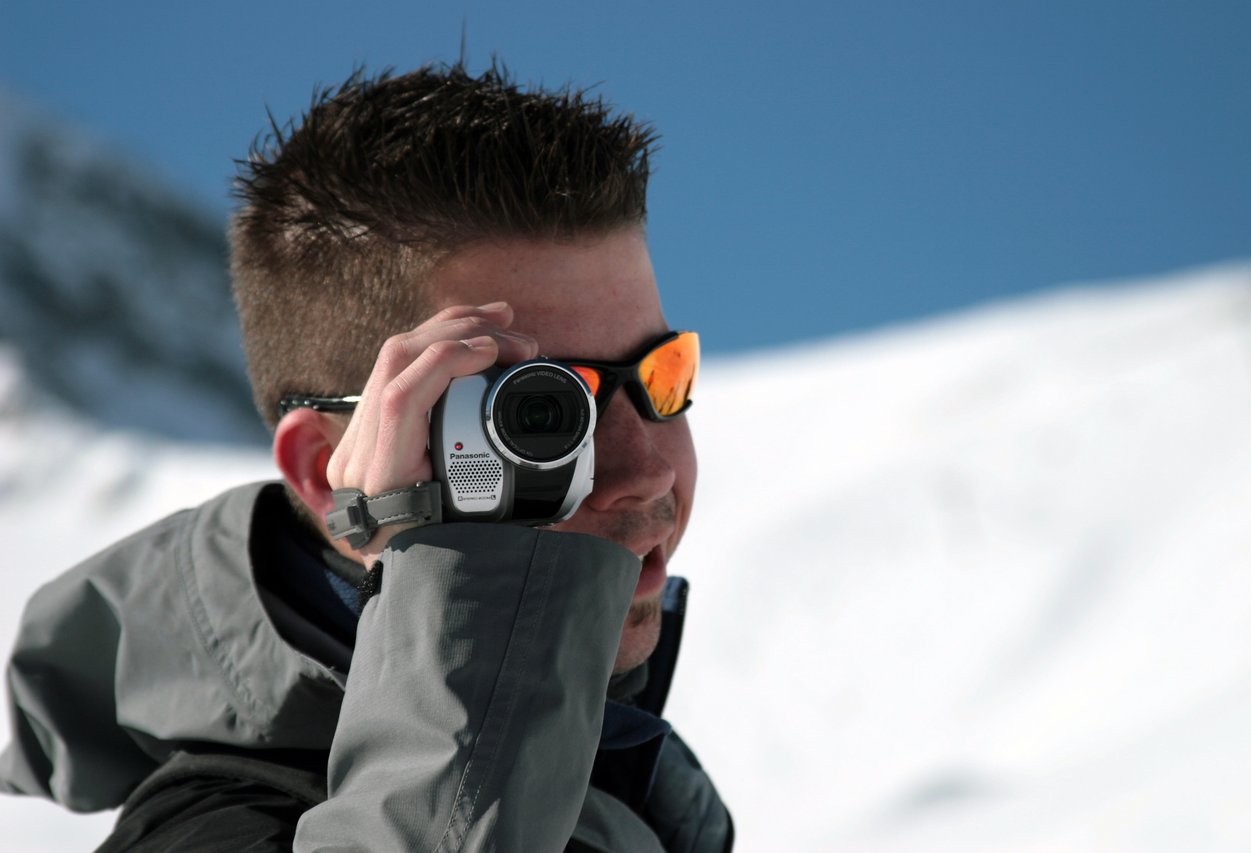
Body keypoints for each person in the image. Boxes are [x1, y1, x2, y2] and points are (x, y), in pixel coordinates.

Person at [0, 62, 732, 851]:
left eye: (663, 377)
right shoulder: (220, 833)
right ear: (326, 471)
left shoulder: (618, 787)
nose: (646, 468)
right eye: (541, 412)